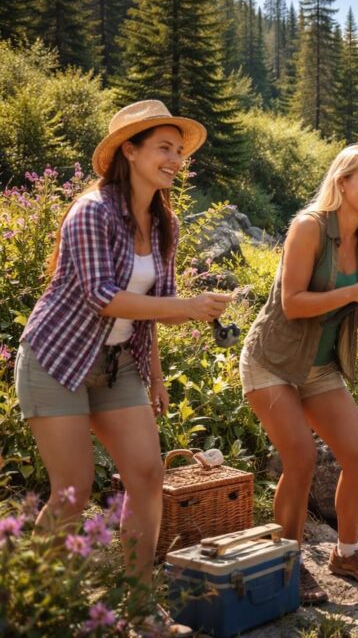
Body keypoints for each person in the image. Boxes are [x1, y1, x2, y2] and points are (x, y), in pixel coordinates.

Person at [15, 100, 231, 635]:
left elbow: (151, 311)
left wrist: (155, 376)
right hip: (57, 359)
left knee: (148, 475)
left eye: (179, 151)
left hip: (117, 366)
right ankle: (27, 603)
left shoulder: (164, 223)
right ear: (129, 152)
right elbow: (101, 296)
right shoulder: (91, 211)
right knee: (73, 492)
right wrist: (185, 308)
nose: (175, 159)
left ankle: (136, 606)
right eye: (164, 147)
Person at [240, 144, 358, 602]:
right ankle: (288, 561)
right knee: (300, 458)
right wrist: (353, 291)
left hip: (319, 369)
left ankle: (346, 552)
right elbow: (292, 303)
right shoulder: (308, 227)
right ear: (342, 182)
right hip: (272, 361)